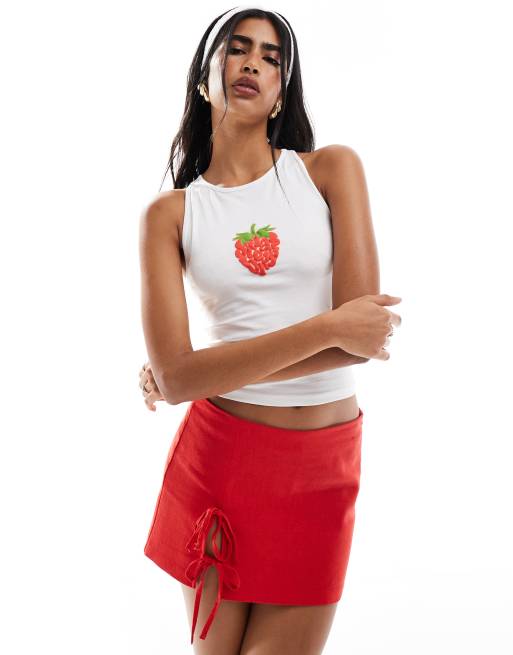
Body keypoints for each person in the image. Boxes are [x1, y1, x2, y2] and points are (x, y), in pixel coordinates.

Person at [138, 5, 402, 654]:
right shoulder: (170, 214)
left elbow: (361, 339)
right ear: (204, 78)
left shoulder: (330, 171)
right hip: (220, 462)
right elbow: (178, 378)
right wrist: (329, 325)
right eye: (236, 48)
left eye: (271, 56)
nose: (252, 62)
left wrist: (203, 369)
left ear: (282, 89)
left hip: (320, 471)